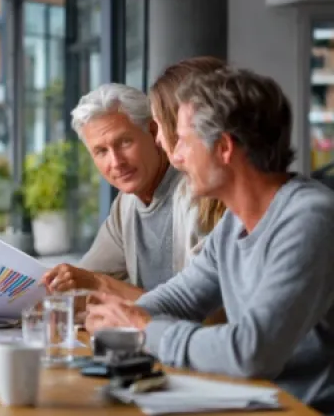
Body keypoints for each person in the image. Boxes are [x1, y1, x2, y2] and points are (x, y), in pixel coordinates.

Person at [85, 68, 334, 413]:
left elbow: (251, 352)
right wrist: (125, 316)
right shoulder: (235, 222)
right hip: (255, 400)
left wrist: (143, 328)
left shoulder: (310, 218)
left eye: (184, 140)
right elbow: (183, 296)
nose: (176, 154)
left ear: (224, 148)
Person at [41, 84, 180, 300]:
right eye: (101, 151)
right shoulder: (126, 205)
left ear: (153, 132)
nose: (116, 163)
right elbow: (83, 280)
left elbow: (195, 311)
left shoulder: (197, 194)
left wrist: (97, 285)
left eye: (124, 142)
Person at [149, 57, 228, 263]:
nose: (157, 139)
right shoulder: (186, 192)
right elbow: (186, 290)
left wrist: (101, 284)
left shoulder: (245, 211)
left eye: (159, 125)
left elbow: (193, 293)